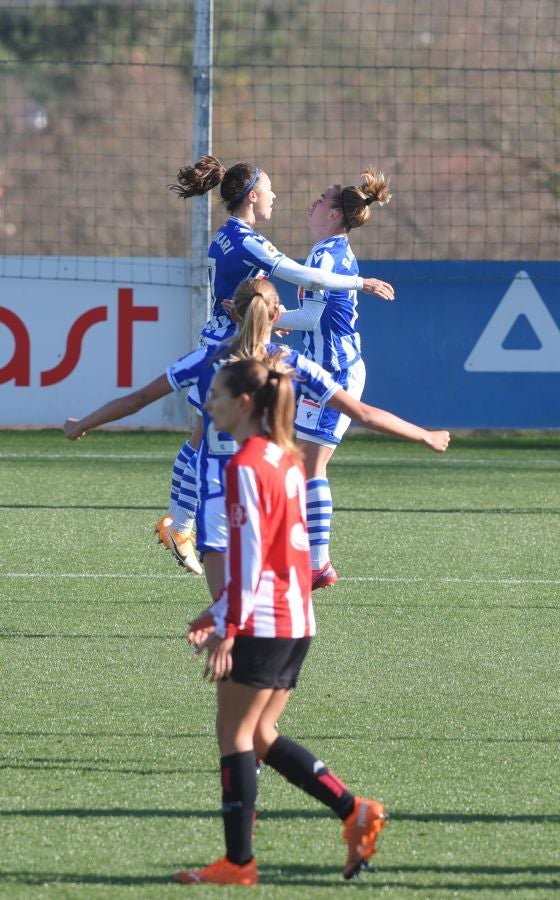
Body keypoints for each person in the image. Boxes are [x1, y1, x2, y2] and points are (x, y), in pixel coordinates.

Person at [63, 278, 450, 600]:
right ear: (278, 316)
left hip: (217, 500)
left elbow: (137, 399)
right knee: (267, 614)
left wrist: (84, 423)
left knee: (229, 614)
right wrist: (424, 435)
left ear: (234, 311)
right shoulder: (291, 363)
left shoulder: (206, 359)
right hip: (270, 499)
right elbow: (363, 413)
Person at [173, 357, 387, 886]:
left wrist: (228, 626)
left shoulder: (244, 464)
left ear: (245, 403)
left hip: (263, 618)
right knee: (261, 731)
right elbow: (273, 551)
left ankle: (239, 863)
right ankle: (353, 811)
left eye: (218, 395)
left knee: (236, 733)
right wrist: (216, 611)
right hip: (296, 618)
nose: (209, 403)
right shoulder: (285, 457)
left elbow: (246, 557)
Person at [156, 156, 396, 567]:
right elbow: (306, 277)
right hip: (231, 348)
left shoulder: (227, 235)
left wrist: (268, 317)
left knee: (213, 438)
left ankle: (185, 525)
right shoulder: (249, 239)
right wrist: (361, 282)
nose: (275, 196)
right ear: (252, 196)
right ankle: (188, 527)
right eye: (268, 189)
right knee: (220, 444)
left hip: (229, 339)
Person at [275, 167, 392, 589]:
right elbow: (314, 319)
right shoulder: (328, 249)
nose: (314, 202)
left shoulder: (326, 256)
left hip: (336, 371)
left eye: (322, 199)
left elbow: (311, 315)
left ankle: (318, 564)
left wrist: (269, 318)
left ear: (337, 215)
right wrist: (284, 320)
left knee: (311, 464)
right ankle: (304, 554)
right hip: (320, 367)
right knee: (297, 461)